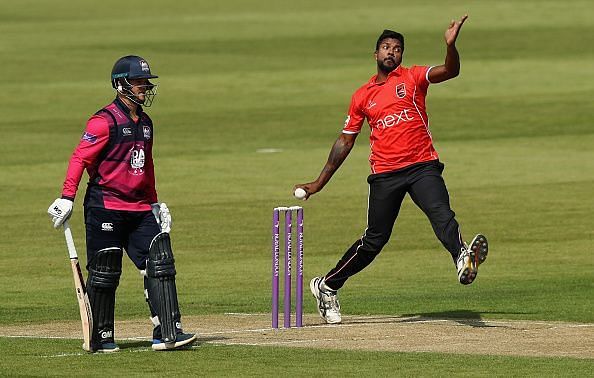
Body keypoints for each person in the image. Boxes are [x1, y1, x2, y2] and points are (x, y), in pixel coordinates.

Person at [295, 15, 488, 324]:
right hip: (385, 174)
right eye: (385, 47)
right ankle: (327, 285)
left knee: (441, 213)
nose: (391, 52)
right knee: (374, 241)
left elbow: (450, 70)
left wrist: (451, 47)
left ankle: (461, 256)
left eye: (397, 48)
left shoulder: (412, 78)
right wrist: (319, 182)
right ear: (375, 54)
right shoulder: (362, 96)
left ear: (402, 55)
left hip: (422, 166)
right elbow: (345, 142)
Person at [47, 55, 197, 352]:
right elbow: (80, 158)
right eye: (139, 81)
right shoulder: (103, 121)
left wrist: (155, 202)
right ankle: (101, 337)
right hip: (106, 206)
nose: (144, 87)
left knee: (161, 263)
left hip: (140, 208)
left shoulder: (146, 123)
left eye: (146, 82)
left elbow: (147, 164)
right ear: (120, 85)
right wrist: (67, 197)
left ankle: (168, 332)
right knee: (105, 272)